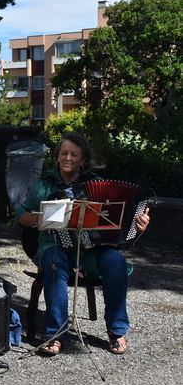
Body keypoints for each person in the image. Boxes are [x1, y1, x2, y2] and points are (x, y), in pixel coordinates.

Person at [16, 132, 150, 355]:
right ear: (57, 157)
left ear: (82, 160)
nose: (68, 158)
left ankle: (116, 330)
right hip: (54, 243)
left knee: (115, 260)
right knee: (54, 262)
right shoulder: (44, 186)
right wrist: (43, 217)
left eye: (74, 154)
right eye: (64, 153)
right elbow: (20, 216)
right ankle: (56, 334)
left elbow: (118, 225)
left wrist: (138, 226)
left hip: (90, 248)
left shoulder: (97, 184)